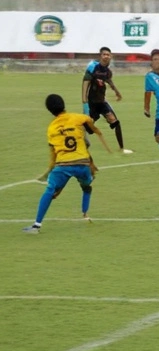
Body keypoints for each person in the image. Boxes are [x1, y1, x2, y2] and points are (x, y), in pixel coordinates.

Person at [23, 94, 113, 234]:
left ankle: (36, 226)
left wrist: (49, 170)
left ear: (50, 110)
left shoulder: (52, 128)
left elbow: (53, 154)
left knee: (50, 191)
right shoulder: (78, 118)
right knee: (86, 185)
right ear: (63, 104)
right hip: (83, 164)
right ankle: (85, 212)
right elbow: (90, 123)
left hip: (63, 165)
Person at [82, 47, 132, 154]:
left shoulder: (107, 71)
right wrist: (84, 100)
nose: (106, 56)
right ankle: (78, 139)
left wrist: (117, 92)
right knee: (89, 128)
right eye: (104, 54)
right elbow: (85, 82)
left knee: (116, 123)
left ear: (111, 57)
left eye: (108, 55)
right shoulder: (93, 67)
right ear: (100, 56)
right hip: (92, 103)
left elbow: (109, 80)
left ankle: (122, 148)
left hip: (102, 102)